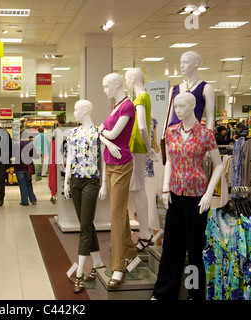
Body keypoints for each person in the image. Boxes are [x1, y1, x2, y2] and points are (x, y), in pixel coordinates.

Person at [152, 92, 223, 300]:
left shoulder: (205, 134)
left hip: (197, 197)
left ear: (192, 106)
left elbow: (219, 165)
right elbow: (170, 162)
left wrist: (209, 193)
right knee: (171, 247)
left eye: (181, 106)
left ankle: (194, 293)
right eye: (176, 106)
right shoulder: (171, 131)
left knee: (195, 249)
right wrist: (165, 188)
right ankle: (163, 293)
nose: (177, 110)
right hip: (175, 194)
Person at [98, 73, 138, 290]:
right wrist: (103, 135)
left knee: (115, 213)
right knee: (119, 212)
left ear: (116, 85)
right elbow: (105, 136)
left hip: (122, 164)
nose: (105, 90)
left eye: (106, 86)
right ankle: (130, 251)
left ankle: (118, 266)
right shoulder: (115, 107)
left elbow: (111, 134)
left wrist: (102, 134)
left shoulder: (127, 107)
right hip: (110, 163)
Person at [64, 99, 107, 294]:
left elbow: (103, 160)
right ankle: (98, 263)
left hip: (91, 180)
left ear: (84, 110)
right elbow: (70, 157)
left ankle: (80, 273)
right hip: (75, 180)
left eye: (76, 109)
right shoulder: (72, 133)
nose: (74, 113)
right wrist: (66, 182)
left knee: (84, 226)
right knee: (86, 223)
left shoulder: (98, 131)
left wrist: (104, 183)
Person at [124, 68, 158, 251]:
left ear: (132, 78)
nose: (126, 82)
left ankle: (145, 234)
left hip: (137, 148)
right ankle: (144, 232)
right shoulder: (143, 97)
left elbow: (143, 127)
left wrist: (149, 147)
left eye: (126, 78)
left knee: (138, 189)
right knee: (137, 189)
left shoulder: (140, 98)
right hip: (137, 148)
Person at [165, 51, 215, 131]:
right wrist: (165, 136)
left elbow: (210, 117)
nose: (181, 66)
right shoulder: (174, 89)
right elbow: (169, 116)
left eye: (185, 62)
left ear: (196, 63)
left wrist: (208, 138)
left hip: (193, 135)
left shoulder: (206, 88)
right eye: (181, 62)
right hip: (173, 135)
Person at [13, 133, 37, 206]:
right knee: (29, 183)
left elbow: (12, 155)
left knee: (22, 184)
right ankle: (33, 199)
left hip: (19, 167)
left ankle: (24, 201)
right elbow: (35, 155)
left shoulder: (15, 145)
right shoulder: (30, 144)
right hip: (28, 166)